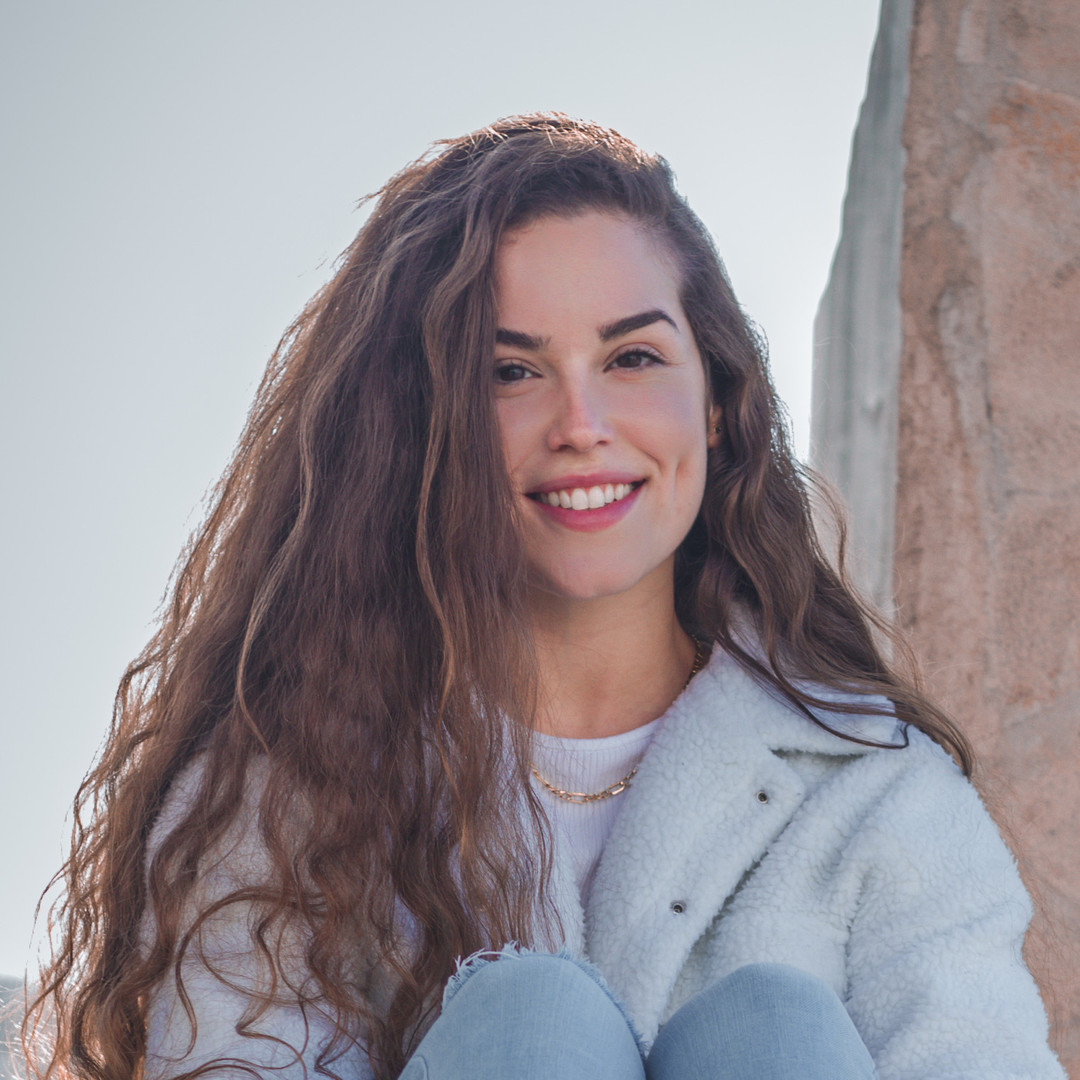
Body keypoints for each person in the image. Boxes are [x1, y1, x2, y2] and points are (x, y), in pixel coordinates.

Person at [26, 114, 1064, 1080]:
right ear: (421, 427)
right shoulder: (288, 787)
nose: (580, 423)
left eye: (633, 357)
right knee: (531, 1019)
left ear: (717, 404)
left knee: (775, 1030)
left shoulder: (879, 792)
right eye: (509, 372)